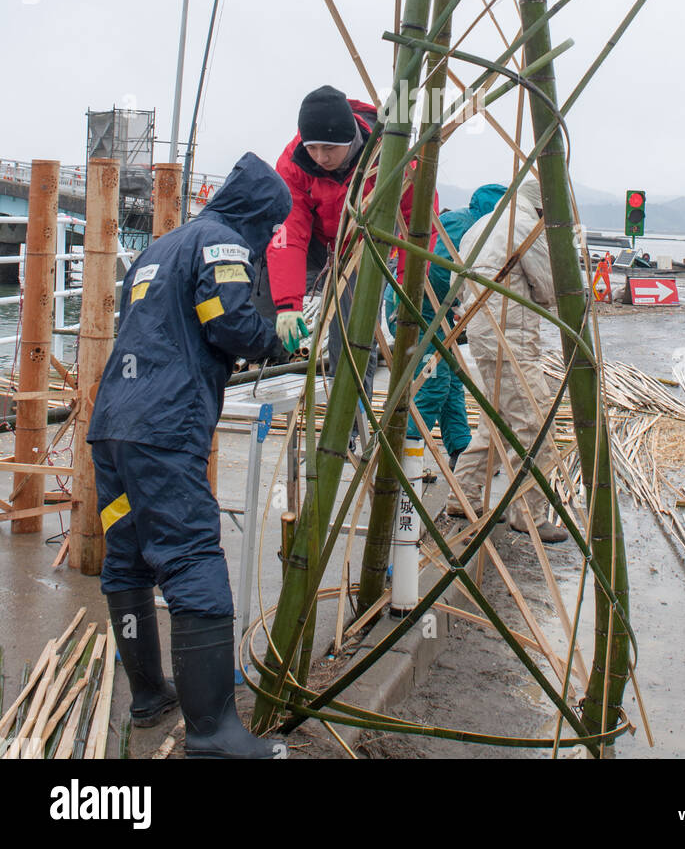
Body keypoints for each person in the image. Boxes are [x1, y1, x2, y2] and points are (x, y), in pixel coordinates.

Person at [88, 152, 292, 759]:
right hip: (165, 427)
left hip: (114, 426)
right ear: (260, 214)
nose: (267, 240)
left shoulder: (160, 248)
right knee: (191, 553)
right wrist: (274, 337)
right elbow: (225, 323)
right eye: (272, 226)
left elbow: (151, 325)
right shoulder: (223, 243)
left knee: (126, 557)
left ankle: (150, 694)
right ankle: (213, 733)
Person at [265, 87, 431, 433]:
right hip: (314, 239)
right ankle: (264, 348)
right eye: (313, 147)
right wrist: (286, 304)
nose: (320, 157)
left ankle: (350, 428)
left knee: (351, 336)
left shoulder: (390, 155)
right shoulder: (294, 161)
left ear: (351, 139)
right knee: (261, 266)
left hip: (362, 244)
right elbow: (289, 233)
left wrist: (406, 284)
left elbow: (417, 223)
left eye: (330, 148)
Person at [447, 178, 568, 545]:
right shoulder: (526, 226)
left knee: (496, 421)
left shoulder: (481, 226)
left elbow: (458, 279)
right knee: (534, 422)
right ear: (544, 208)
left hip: (483, 334)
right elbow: (547, 288)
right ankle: (528, 514)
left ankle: (462, 496)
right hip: (511, 336)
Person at [383, 183, 507, 468]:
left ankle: (460, 449)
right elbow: (436, 269)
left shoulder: (472, 225)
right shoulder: (466, 227)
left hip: (431, 312)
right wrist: (457, 305)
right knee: (433, 382)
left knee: (450, 379)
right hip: (414, 310)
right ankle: (403, 452)